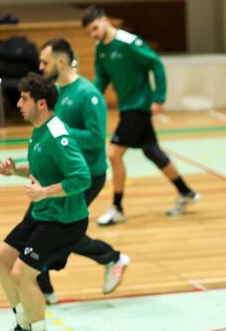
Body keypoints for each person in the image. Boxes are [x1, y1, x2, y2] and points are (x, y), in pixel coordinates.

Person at [0, 73, 90, 331]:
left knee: (23, 273)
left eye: (24, 98)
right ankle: (23, 326)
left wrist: (44, 192)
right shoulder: (40, 128)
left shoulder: (59, 135)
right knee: (2, 259)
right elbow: (41, 166)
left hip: (64, 220)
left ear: (42, 103)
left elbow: (82, 177)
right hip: (43, 212)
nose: (19, 103)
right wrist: (16, 171)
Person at [81, 5, 198, 225]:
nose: (94, 35)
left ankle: (117, 207)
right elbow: (102, 77)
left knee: (114, 154)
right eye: (90, 33)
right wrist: (90, 97)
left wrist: (158, 98)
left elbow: (156, 64)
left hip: (139, 105)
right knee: (152, 151)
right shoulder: (101, 48)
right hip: (127, 106)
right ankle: (186, 192)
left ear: (105, 20)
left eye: (95, 28)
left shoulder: (129, 43)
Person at [35, 38, 130, 305]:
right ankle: (45, 287)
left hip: (86, 176)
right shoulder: (54, 91)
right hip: (61, 174)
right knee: (49, 226)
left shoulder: (88, 94)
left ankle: (112, 258)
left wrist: (60, 133)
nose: (41, 67)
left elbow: (95, 137)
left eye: (45, 62)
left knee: (57, 230)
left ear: (61, 61)